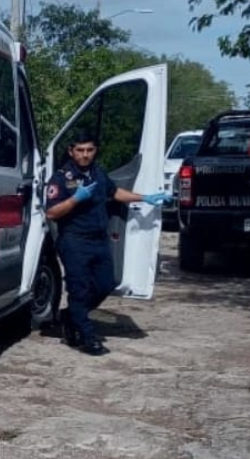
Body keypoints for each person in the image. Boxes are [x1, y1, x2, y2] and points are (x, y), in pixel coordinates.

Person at [45, 132, 171, 356]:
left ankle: (72, 316)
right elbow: (52, 212)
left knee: (107, 283)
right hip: (74, 241)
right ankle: (88, 338)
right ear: (71, 151)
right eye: (80, 150)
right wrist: (75, 199)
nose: (85, 155)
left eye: (90, 150)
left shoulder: (97, 172)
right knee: (79, 289)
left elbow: (115, 192)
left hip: (98, 240)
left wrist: (146, 197)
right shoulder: (61, 178)